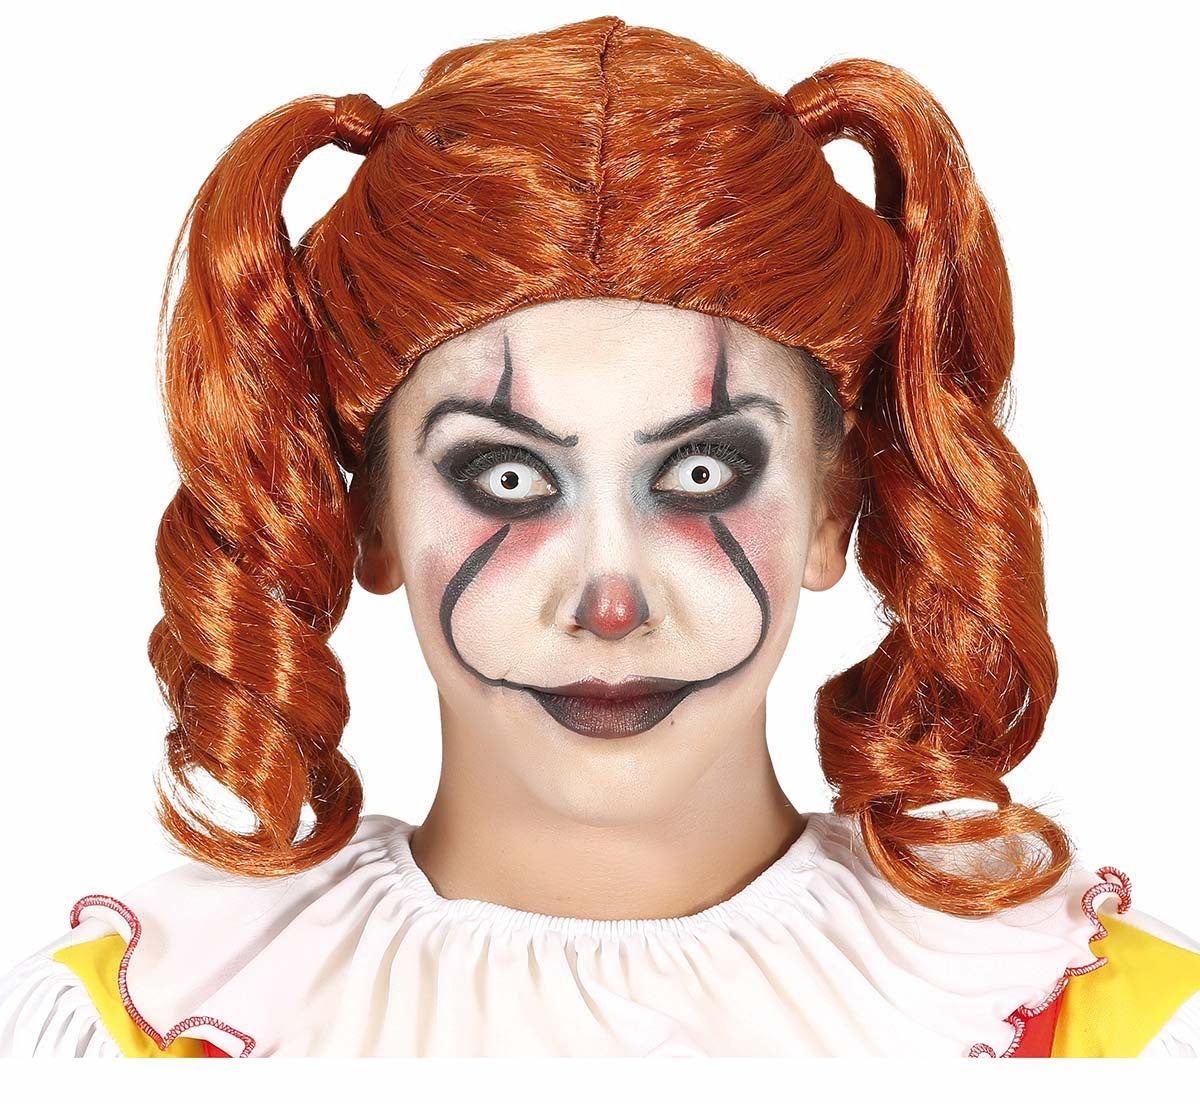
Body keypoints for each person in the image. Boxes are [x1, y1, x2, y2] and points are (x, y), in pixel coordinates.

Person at [0, 15, 1196, 1058]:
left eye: (702, 473)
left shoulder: (1095, 1023)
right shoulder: (151, 1031)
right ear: (367, 517)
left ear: (834, 509)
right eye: (508, 477)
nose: (611, 603)